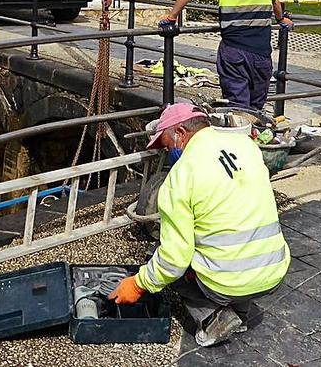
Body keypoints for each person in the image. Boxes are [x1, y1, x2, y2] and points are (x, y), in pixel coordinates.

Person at [109, 103, 289, 347]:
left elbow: (173, 260)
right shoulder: (246, 145)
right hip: (274, 271)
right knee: (231, 240)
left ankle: (214, 318)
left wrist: (139, 284)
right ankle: (242, 314)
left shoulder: (181, 175)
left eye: (167, 145)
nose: (167, 152)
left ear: (181, 134)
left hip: (228, 282)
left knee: (166, 261)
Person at [160, 0, 292, 110]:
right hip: (262, 53)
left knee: (237, 106)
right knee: (256, 107)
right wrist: (281, 19)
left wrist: (171, 17)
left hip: (234, 50)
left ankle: (239, 132)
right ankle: (255, 134)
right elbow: (275, 1)